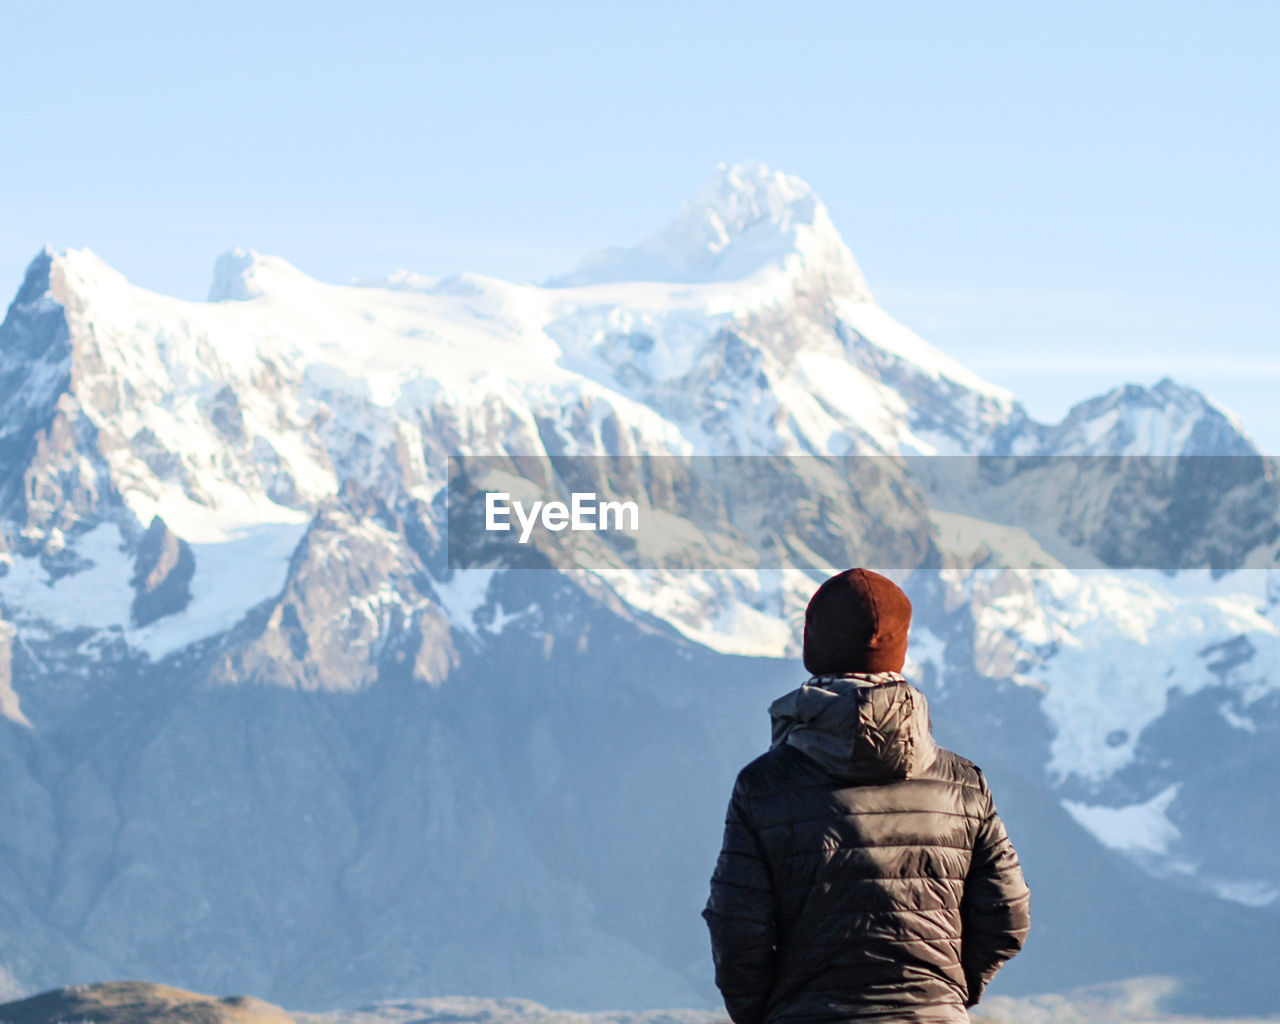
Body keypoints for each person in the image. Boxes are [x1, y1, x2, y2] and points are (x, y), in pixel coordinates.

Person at [703, 568, 1030, 1024]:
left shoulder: (764, 786)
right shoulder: (963, 784)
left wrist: (766, 1012)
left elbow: (737, 927)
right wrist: (946, 993)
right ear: (900, 648)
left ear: (813, 648)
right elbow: (1007, 914)